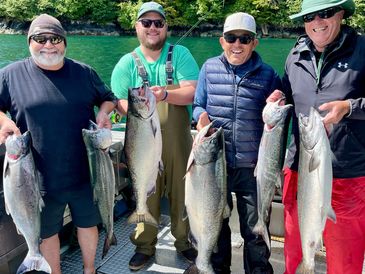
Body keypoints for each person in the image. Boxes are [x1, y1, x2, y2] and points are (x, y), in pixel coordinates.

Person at [0, 14, 117, 274]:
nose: (48, 45)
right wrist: (3, 122)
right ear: (29, 42)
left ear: (64, 42)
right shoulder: (10, 75)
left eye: (55, 39)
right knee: (48, 232)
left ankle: (90, 270)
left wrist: (104, 112)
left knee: (88, 224)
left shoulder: (84, 72)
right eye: (40, 39)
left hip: (87, 173)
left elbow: (108, 98)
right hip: (36, 179)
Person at [267, 0, 365, 273]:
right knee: (295, 252)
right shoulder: (296, 53)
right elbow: (288, 92)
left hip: (348, 173)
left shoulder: (362, 50)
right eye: (310, 16)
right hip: (299, 168)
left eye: (325, 13)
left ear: (342, 14)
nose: (317, 22)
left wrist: (349, 108)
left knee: (345, 260)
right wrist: (278, 97)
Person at [110, 1, 200, 271]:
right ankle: (144, 245)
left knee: (182, 192)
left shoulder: (180, 54)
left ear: (165, 27)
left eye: (158, 23)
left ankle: (184, 242)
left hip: (178, 142)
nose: (152, 28)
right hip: (142, 141)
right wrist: (141, 109)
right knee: (145, 191)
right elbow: (119, 104)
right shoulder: (126, 63)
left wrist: (164, 95)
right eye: (146, 23)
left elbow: (193, 91)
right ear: (136, 27)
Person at [193, 12, 281, 274]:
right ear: (222, 41)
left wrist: (279, 100)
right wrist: (200, 117)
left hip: (253, 167)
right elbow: (197, 105)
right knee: (216, 226)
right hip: (214, 164)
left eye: (245, 38)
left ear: (255, 43)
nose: (237, 44)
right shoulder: (208, 68)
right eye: (232, 38)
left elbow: (277, 115)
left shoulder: (267, 75)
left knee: (255, 232)